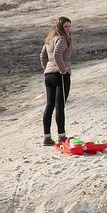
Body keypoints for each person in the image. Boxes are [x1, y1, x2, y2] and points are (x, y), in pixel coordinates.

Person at [39, 16, 72, 146]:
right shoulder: (62, 39)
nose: (68, 29)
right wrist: (63, 70)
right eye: (65, 26)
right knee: (59, 106)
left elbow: (42, 56)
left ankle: (47, 137)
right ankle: (62, 136)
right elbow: (57, 54)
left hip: (49, 76)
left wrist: (47, 68)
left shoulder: (50, 38)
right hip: (60, 75)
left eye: (69, 26)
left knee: (49, 105)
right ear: (60, 27)